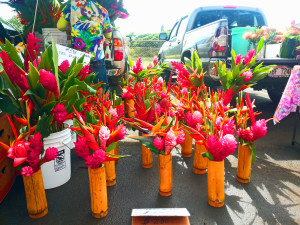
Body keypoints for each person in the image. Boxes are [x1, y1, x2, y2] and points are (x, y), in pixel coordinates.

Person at [57, 0, 113, 87]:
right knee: (100, 92)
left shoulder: (71, 5)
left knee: (79, 92)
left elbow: (60, 26)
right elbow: (108, 34)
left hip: (77, 57)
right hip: (97, 57)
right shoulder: (103, 10)